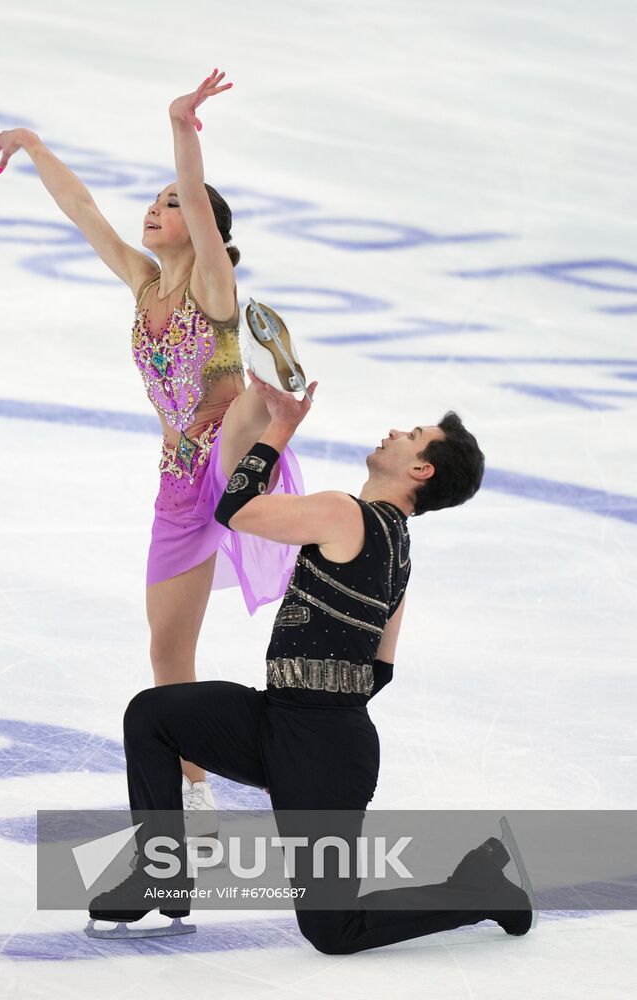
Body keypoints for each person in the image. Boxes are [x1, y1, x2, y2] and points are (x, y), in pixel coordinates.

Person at [86, 371, 535, 952]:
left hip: (321, 744)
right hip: (287, 720)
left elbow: (238, 509)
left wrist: (280, 429)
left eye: (414, 434)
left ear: (420, 470)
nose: (396, 431)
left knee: (333, 929)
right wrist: (310, 712)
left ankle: (479, 890)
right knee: (153, 714)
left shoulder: (344, 513)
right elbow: (382, 666)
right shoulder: (399, 550)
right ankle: (161, 873)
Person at [0, 71, 307, 812]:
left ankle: (271, 408)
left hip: (232, 459)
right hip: (181, 481)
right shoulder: (141, 282)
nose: (155, 211)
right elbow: (83, 209)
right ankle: (195, 790)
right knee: (166, 651)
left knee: (243, 408)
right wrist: (31, 145)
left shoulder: (212, 289)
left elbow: (193, 186)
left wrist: (181, 125)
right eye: (152, 203)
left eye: (171, 205)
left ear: (204, 226)